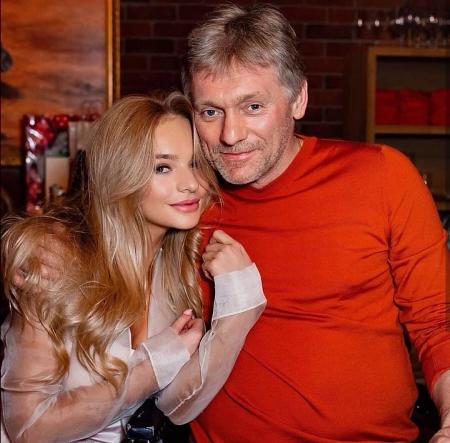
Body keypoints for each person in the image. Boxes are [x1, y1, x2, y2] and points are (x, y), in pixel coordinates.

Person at [157, 4, 450, 443]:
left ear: (298, 99)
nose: (231, 135)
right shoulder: (185, 200)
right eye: (210, 112)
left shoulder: (382, 176)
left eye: (253, 106)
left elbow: (436, 320)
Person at [0, 92, 266, 442]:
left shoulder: (178, 267)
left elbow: (177, 407)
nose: (191, 183)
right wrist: (151, 368)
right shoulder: (57, 259)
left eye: (195, 164)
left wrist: (239, 308)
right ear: (120, 174)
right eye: (162, 167)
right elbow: (29, 429)